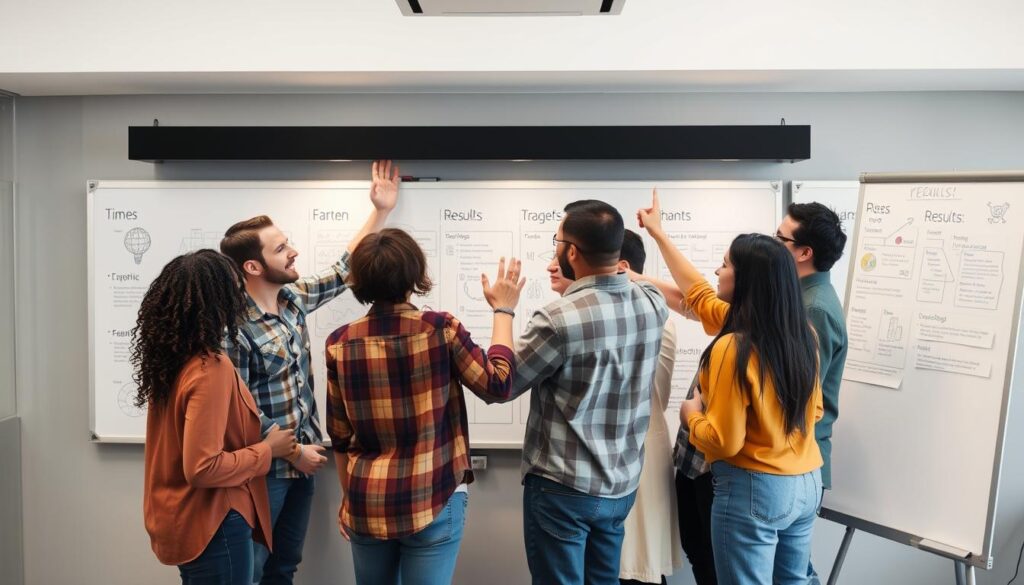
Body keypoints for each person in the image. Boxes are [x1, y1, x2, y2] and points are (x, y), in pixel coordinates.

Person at [220, 160, 400, 584]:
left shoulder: (293, 299)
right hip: (265, 472)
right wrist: (291, 451)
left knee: (285, 568)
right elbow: (235, 406)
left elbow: (344, 270)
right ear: (253, 267)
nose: (293, 251)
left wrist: (380, 212)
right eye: (281, 249)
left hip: (304, 466)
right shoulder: (234, 327)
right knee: (253, 569)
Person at [639, 191, 824, 585]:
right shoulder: (801, 333)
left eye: (724, 266)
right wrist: (658, 236)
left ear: (746, 280)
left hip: (754, 486)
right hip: (805, 482)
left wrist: (691, 416)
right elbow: (816, 411)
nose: (717, 272)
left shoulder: (732, 346)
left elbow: (723, 442)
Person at [324, 228, 525, 585]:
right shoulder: (441, 329)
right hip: (434, 495)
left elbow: (340, 436)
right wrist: (503, 311)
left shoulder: (340, 342)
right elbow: (498, 385)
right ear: (415, 274)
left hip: (367, 500)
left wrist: (349, 499)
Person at [496, 200, 670, 585]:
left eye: (557, 240)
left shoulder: (558, 318)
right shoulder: (652, 303)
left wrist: (504, 311)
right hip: (619, 489)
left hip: (563, 488)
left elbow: (502, 384)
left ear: (572, 251)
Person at [135, 249, 298, 584]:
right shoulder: (211, 367)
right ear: (220, 302)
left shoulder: (172, 359)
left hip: (185, 519)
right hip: (213, 522)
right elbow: (202, 467)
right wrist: (269, 450)